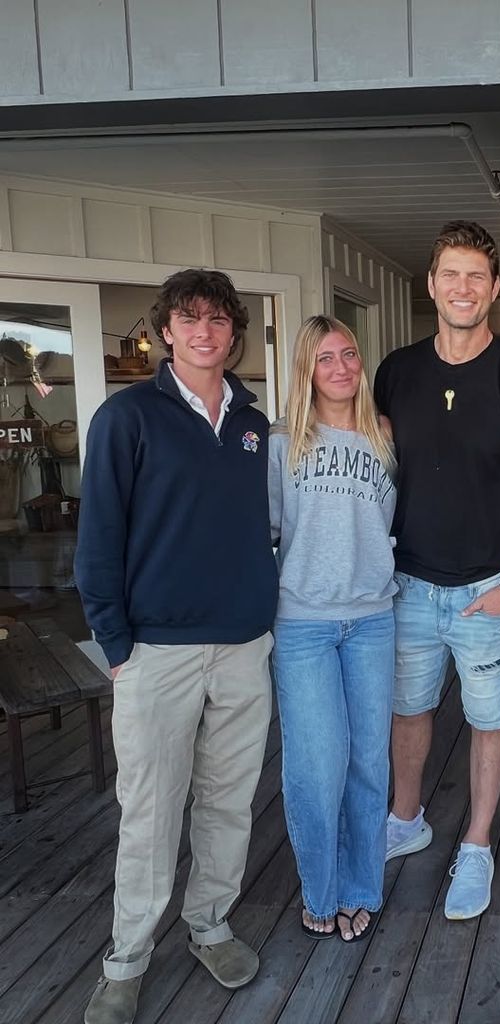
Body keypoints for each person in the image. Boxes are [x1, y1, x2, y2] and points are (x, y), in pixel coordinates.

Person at [75, 270, 278, 1024]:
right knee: (151, 814)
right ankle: (126, 961)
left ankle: (210, 925)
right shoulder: (127, 417)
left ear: (233, 332)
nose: (204, 331)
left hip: (243, 646)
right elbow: (98, 538)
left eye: (218, 319)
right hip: (156, 652)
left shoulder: (254, 423)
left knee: (228, 802)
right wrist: (116, 643)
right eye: (189, 319)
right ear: (166, 330)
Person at [373, 221, 500, 921]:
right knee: (408, 710)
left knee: (489, 720)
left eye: (476, 276)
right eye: (450, 274)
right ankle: (405, 819)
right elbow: (373, 467)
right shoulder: (396, 372)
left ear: (495, 287)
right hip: (408, 583)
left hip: (488, 588)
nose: (463, 287)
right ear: (431, 285)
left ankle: (477, 844)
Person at [268, 315, 397, 943]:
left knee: (369, 763)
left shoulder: (385, 437)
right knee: (318, 767)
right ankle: (320, 891)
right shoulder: (282, 441)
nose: (341, 367)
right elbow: (263, 532)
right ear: (307, 370)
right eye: (325, 358)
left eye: (348, 354)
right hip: (303, 624)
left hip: (373, 619)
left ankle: (360, 889)